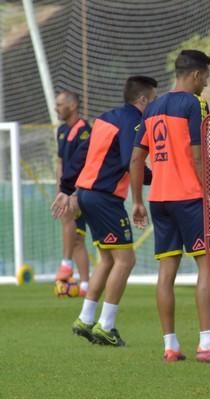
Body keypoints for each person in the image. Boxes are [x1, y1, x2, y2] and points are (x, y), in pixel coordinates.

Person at [130, 50, 210, 363]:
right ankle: (207, 342)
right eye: (205, 78)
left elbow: (137, 158)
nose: (205, 85)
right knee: (209, 265)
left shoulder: (151, 109)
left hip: (159, 199)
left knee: (167, 271)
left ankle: (171, 345)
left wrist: (136, 201)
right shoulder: (195, 104)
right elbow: (198, 157)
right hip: (189, 197)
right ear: (197, 75)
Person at [60, 76, 157, 346]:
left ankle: (86, 318)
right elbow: (132, 161)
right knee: (126, 261)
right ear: (143, 100)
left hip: (87, 195)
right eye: (154, 99)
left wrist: (67, 187)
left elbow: (81, 154)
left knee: (107, 259)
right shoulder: (134, 122)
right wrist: (159, 177)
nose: (155, 104)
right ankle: (106, 325)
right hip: (104, 198)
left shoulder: (105, 118)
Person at [51, 91, 90, 294]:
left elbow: (85, 163)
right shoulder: (61, 131)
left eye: (59, 104)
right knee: (77, 239)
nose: (56, 108)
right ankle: (85, 285)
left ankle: (66, 264)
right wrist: (59, 189)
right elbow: (61, 162)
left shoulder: (85, 130)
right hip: (66, 190)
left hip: (80, 190)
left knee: (68, 221)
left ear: (72, 106)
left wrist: (74, 192)